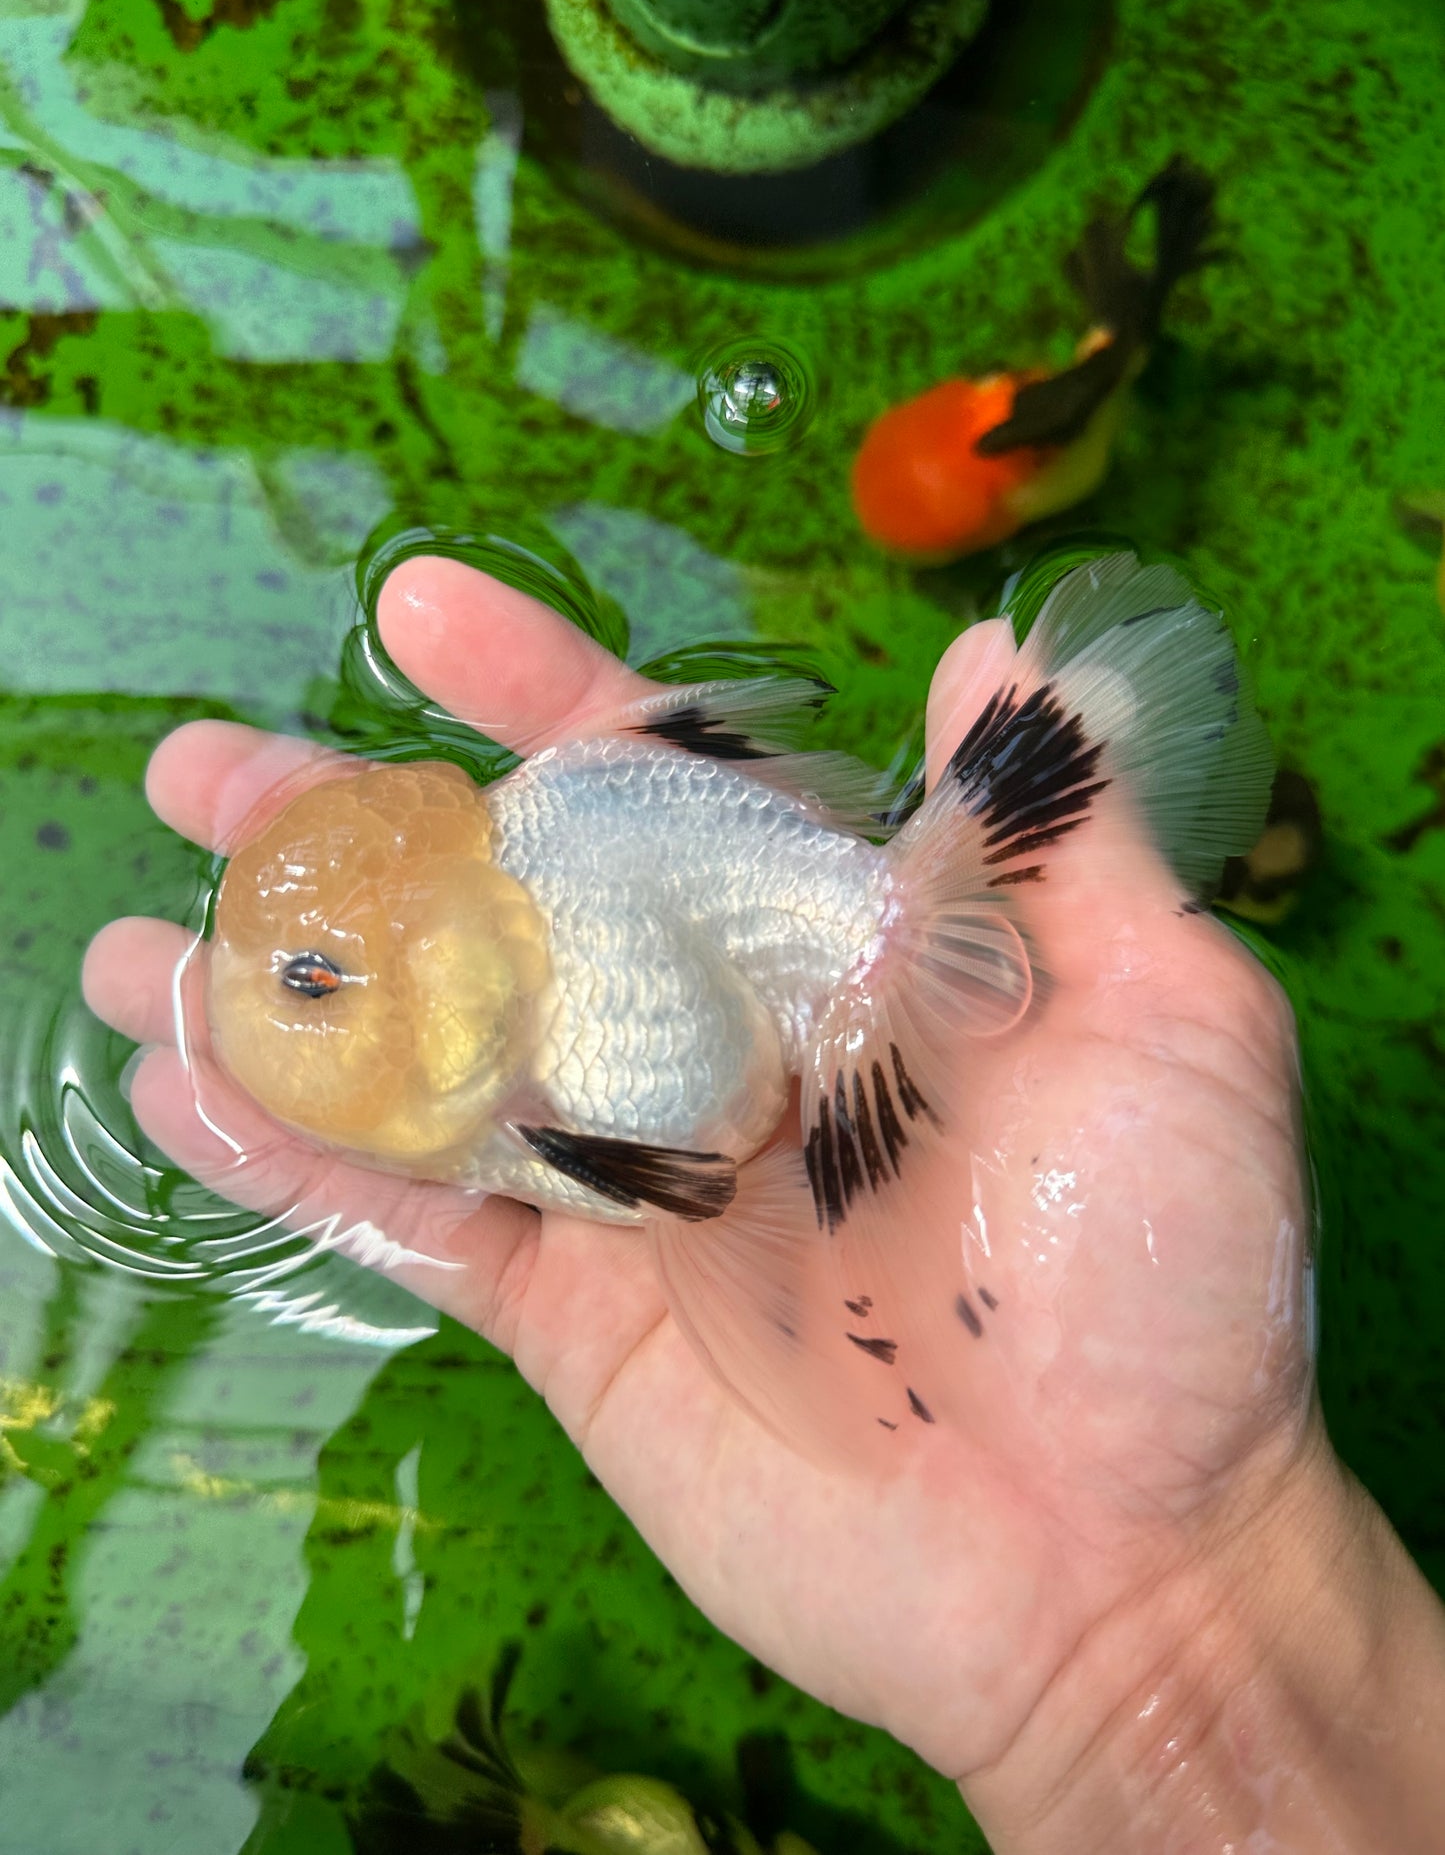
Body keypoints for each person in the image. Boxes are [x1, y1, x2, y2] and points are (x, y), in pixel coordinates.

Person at [83, 553, 1445, 1853]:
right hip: (713, 988)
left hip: (762, 1011)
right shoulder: (525, 904)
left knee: (706, 1121)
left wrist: (1139, 1619)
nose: (259, 1000)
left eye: (312, 982)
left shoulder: (552, 918)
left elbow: (695, 1185)